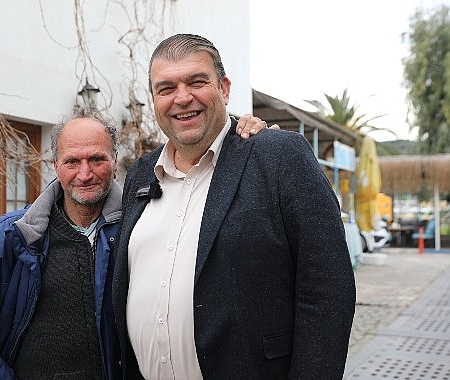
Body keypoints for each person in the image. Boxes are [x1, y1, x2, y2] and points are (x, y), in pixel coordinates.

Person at [0, 106, 270, 379]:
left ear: (115, 162)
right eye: (72, 161)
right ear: (55, 164)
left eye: (97, 159)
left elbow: (201, 177)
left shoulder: (147, 227)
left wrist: (248, 141)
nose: (85, 173)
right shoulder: (10, 238)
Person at [112, 33, 356, 379]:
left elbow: (328, 290)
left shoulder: (278, 157)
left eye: (197, 82)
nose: (182, 98)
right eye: (166, 89)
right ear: (154, 100)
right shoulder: (139, 174)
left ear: (224, 89)